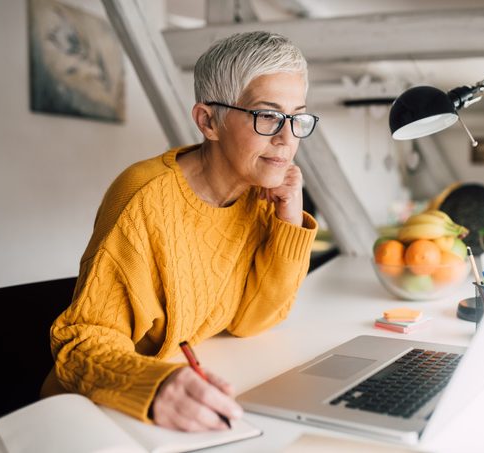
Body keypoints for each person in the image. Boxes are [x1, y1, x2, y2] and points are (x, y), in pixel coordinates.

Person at [41, 31, 319, 432]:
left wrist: (288, 221)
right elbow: (81, 343)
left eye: (297, 117)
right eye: (269, 115)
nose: (287, 138)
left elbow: (252, 320)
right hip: (96, 414)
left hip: (182, 403)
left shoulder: (262, 195)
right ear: (209, 121)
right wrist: (153, 386)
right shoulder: (143, 197)